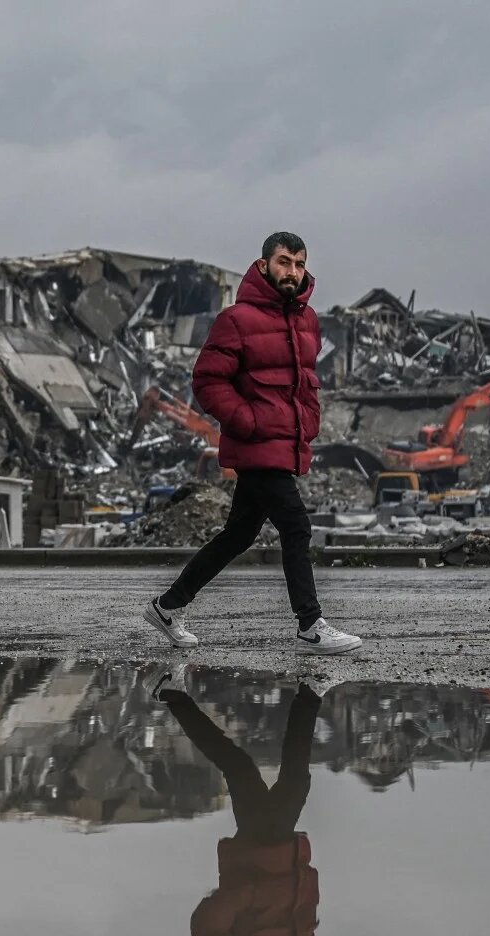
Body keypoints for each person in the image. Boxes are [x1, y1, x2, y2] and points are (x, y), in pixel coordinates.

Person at [145, 231, 361, 656]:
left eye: (299, 264)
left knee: (238, 535)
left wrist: (310, 422)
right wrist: (249, 420)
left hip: (285, 444)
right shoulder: (237, 320)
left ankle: (167, 607)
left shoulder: (307, 321)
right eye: (284, 262)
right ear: (263, 265)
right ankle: (310, 625)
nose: (292, 272)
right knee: (296, 526)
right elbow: (207, 381)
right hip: (257, 445)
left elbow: (306, 387)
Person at [159, 670, 331, 936]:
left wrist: (248, 893)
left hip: (256, 854)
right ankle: (173, 695)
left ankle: (309, 692)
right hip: (285, 856)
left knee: (270, 775)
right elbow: (306, 930)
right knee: (245, 769)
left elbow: (206, 928)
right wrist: (307, 882)